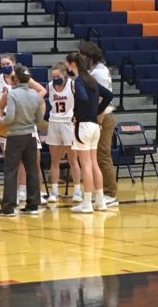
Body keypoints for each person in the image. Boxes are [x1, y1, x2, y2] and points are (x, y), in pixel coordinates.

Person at [0, 53, 47, 204]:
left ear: (14, 63)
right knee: (12, 161)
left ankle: (35, 192)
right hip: (7, 121)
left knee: (34, 161)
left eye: (7, 63)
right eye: (2, 64)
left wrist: (32, 103)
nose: (5, 66)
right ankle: (17, 192)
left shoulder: (22, 77)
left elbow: (42, 91)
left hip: (24, 118)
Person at [65, 53, 113, 213]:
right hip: (94, 125)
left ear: (73, 64)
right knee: (94, 163)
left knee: (85, 164)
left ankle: (87, 203)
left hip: (83, 125)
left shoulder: (78, 81)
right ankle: (100, 201)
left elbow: (83, 99)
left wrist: (78, 114)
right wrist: (96, 111)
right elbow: (108, 95)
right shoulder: (91, 80)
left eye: (67, 65)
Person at [0, 64, 46, 216]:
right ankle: (33, 205)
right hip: (31, 135)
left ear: (15, 78)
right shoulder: (35, 94)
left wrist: (1, 121)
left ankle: (9, 207)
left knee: (11, 170)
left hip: (15, 135)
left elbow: (10, 116)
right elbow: (39, 119)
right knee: (32, 170)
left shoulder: (12, 94)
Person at [79, 42, 119, 207]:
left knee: (103, 155)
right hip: (98, 116)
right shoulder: (96, 70)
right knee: (97, 157)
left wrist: (99, 119)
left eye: (81, 54)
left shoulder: (99, 73)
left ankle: (110, 193)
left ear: (88, 56)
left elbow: (102, 98)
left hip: (103, 116)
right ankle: (101, 191)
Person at [46, 63, 82, 204]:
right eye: (53, 77)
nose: (55, 79)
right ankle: (54, 192)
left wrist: (77, 116)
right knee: (54, 161)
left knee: (73, 160)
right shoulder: (49, 86)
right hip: (54, 123)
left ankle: (77, 191)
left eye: (58, 76)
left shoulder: (73, 85)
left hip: (68, 123)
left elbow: (82, 101)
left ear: (64, 74)